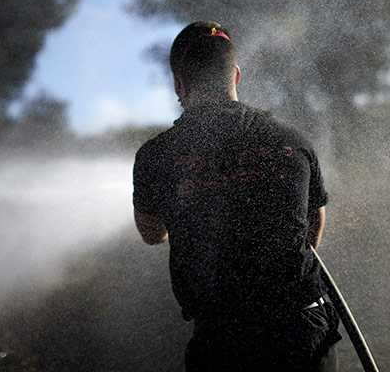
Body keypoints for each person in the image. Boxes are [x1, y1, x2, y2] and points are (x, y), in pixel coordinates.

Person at [133, 21, 341, 371]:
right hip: (304, 328)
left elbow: (152, 233)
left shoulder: (156, 157)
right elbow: (313, 225)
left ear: (179, 84)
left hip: (224, 340)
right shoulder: (293, 142)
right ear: (237, 75)